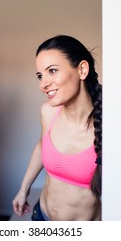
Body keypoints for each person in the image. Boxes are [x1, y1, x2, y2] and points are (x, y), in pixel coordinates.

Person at [12, 35, 102, 221]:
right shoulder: (48, 112)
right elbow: (41, 146)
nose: (43, 84)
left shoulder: (110, 125)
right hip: (42, 217)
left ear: (82, 70)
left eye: (52, 71)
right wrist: (24, 189)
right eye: (40, 75)